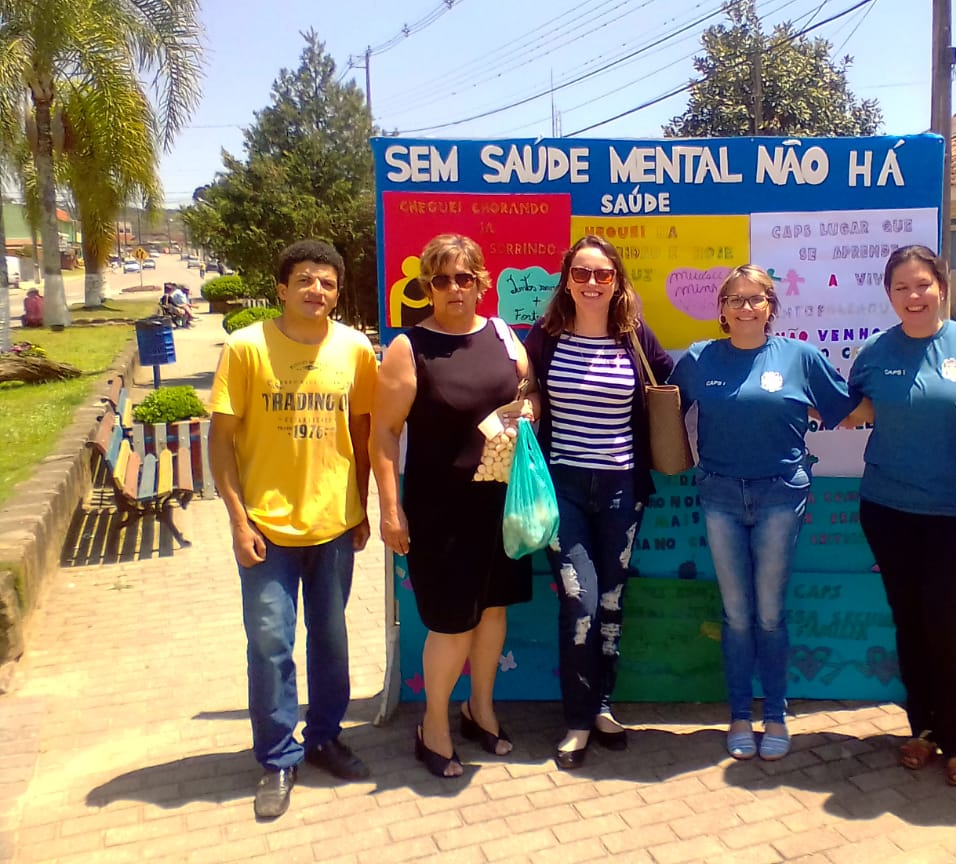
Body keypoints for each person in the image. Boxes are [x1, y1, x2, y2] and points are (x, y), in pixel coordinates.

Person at [208, 239, 377, 820]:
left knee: (331, 640)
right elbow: (222, 440)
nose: (317, 291)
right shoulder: (247, 347)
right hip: (265, 527)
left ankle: (326, 736)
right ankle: (279, 757)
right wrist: (236, 518)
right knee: (271, 641)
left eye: (327, 283)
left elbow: (362, 431)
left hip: (333, 525)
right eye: (305, 280)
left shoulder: (355, 348)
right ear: (281, 288)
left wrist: (361, 507)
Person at [669, 264, 851, 762]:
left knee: (769, 615)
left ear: (771, 306)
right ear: (722, 310)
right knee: (736, 615)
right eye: (735, 299)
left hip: (780, 495)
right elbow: (662, 410)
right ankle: (737, 716)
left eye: (756, 298)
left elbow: (844, 409)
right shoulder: (700, 358)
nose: (745, 307)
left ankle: (774, 713)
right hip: (720, 494)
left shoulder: (800, 356)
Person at [370, 234, 535, 779]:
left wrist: (528, 408)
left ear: (482, 282)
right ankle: (433, 726)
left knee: (492, 612)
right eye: (441, 279)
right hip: (440, 512)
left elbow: (528, 391)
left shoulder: (506, 336)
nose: (454, 289)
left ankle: (479, 710)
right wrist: (391, 510)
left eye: (465, 277)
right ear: (427, 288)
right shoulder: (407, 347)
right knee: (451, 624)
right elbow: (384, 435)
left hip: (501, 503)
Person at [843, 244, 956, 788]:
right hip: (889, 509)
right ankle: (924, 730)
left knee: (953, 627)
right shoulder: (873, 353)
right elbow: (856, 410)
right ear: (889, 295)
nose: (913, 296)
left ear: (942, 287)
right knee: (911, 623)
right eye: (901, 288)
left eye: (922, 285)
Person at [523, 235, 674, 770]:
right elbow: (523, 389)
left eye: (602, 275)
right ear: (566, 279)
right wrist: (530, 402)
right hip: (562, 489)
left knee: (611, 602)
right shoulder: (544, 338)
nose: (591, 283)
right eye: (581, 274)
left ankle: (603, 706)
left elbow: (671, 388)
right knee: (579, 604)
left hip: (621, 492)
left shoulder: (635, 338)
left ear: (617, 281)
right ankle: (577, 721)